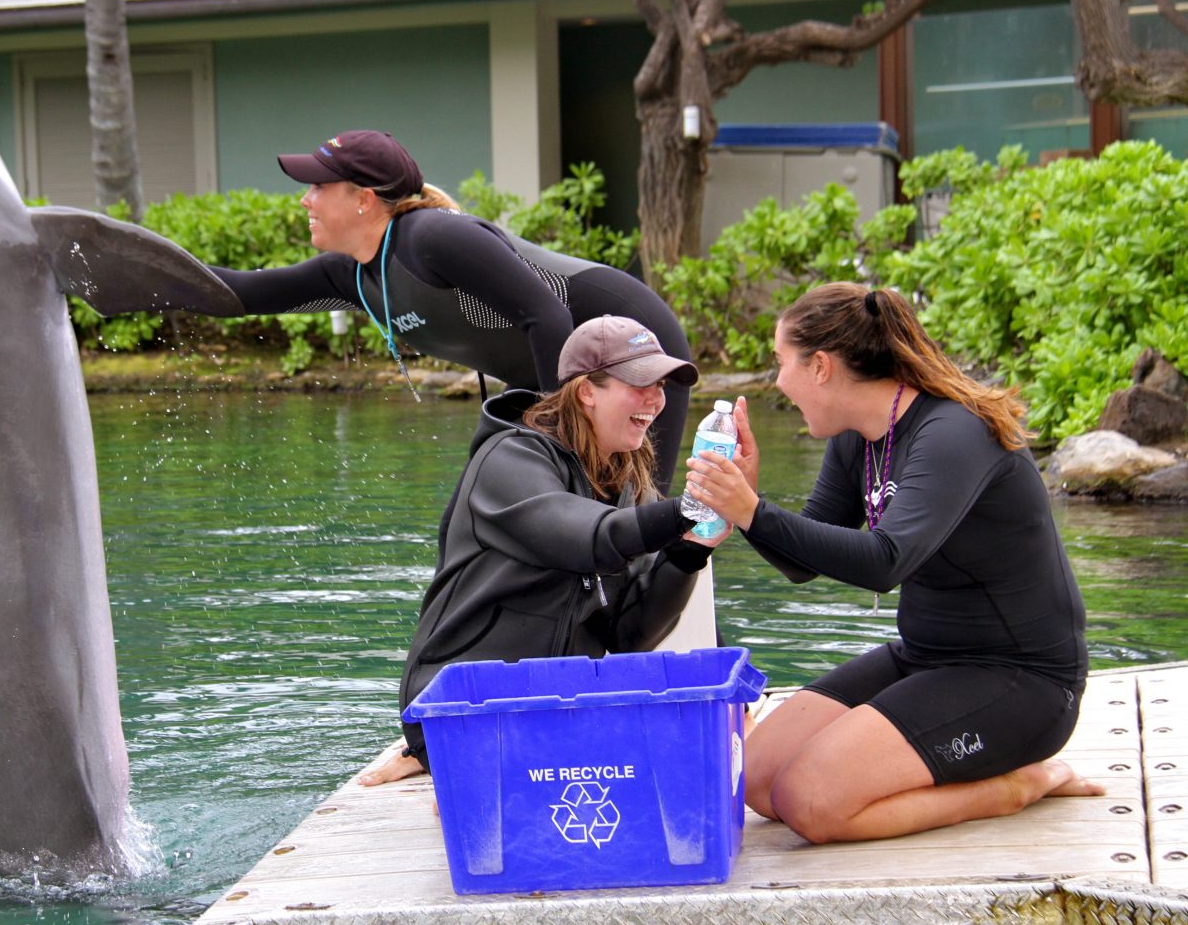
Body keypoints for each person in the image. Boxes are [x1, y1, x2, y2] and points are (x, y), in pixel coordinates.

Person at [683, 282, 1101, 845]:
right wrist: (752, 502)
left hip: (1022, 682)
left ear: (822, 367)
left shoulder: (954, 431)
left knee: (809, 802)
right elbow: (805, 561)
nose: (778, 381)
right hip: (925, 658)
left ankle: (1017, 785)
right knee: (755, 779)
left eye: (781, 362)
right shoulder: (860, 438)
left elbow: (886, 562)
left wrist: (753, 511)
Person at [208, 130, 695, 494]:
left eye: (317, 186)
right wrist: (139, 270)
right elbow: (239, 295)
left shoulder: (433, 238)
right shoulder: (353, 274)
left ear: (364, 199)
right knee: (494, 501)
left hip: (638, 352)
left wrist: (561, 446)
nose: (304, 199)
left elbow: (546, 316)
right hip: (555, 373)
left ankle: (660, 616)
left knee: (633, 509)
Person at [360, 315, 726, 786]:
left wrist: (690, 551)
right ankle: (446, 766)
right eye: (640, 383)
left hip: (560, 708)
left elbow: (630, 634)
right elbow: (588, 539)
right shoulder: (510, 460)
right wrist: (689, 509)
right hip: (462, 709)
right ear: (585, 392)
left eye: (661, 384)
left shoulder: (628, 486)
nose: (656, 400)